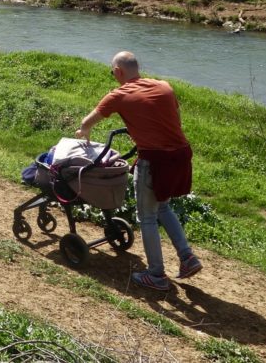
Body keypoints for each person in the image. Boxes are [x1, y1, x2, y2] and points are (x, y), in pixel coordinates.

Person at [75, 51, 202, 291]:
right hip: (181, 156)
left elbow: (87, 122)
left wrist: (84, 134)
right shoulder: (164, 86)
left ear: (118, 72)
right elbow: (169, 116)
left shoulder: (118, 95)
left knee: (147, 217)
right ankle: (187, 257)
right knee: (163, 205)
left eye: (112, 71)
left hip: (154, 160)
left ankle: (156, 275)